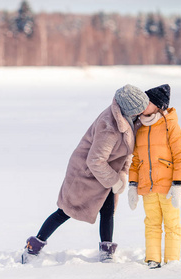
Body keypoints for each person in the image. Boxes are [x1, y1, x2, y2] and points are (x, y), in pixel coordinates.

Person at [22, 84, 149, 264]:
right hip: (86, 175)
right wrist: (114, 180)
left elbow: (127, 151)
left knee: (107, 211)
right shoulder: (110, 126)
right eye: (140, 109)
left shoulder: (128, 119)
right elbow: (95, 160)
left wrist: (122, 173)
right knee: (66, 210)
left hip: (105, 174)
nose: (144, 112)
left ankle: (107, 251)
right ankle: (33, 246)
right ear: (130, 108)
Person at [127, 84, 181, 269]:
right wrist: (132, 185)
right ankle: (152, 259)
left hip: (168, 187)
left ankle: (172, 260)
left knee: (172, 225)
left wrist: (178, 184)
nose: (143, 105)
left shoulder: (170, 126)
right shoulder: (140, 127)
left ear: (158, 105)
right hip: (147, 187)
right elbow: (135, 160)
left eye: (148, 102)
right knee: (152, 224)